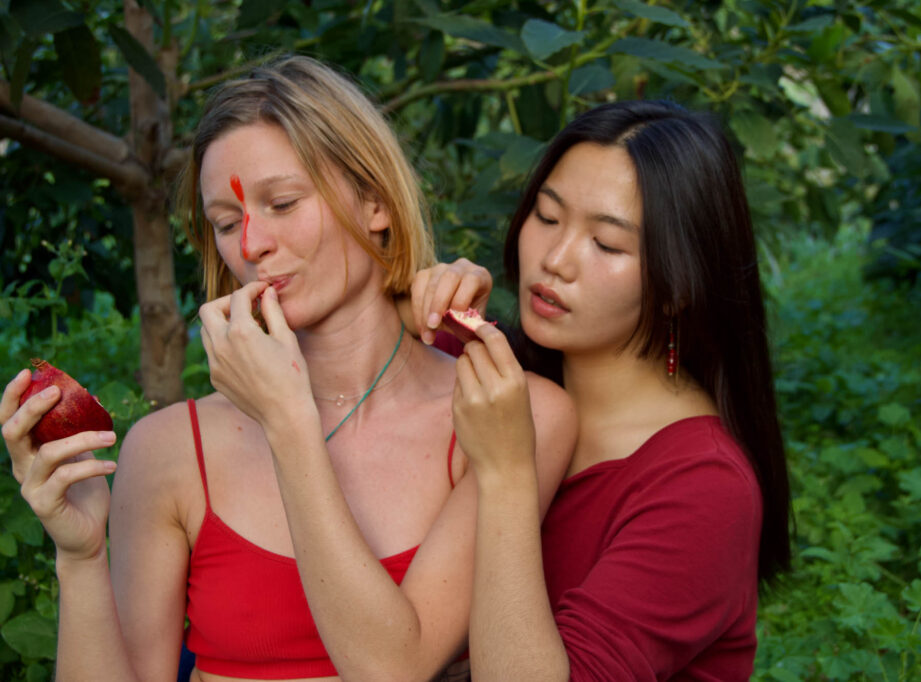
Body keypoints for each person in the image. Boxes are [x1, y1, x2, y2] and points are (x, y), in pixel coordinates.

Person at [0, 55, 575, 682]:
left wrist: (287, 419)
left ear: (376, 201)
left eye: (282, 202)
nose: (250, 246)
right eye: (225, 222)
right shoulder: (168, 449)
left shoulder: (510, 416)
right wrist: (80, 558)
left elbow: (393, 668)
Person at [408, 100, 792, 680]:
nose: (555, 260)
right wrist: (421, 308)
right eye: (546, 216)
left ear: (679, 284)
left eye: (607, 245)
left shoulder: (705, 489)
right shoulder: (497, 374)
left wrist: (510, 472)